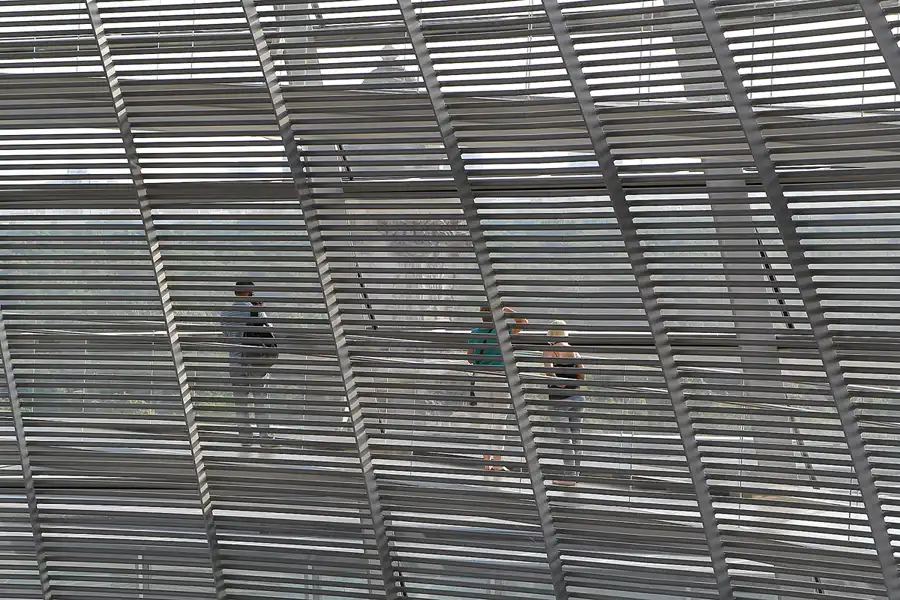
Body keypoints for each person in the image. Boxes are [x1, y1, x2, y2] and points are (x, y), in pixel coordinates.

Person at [467, 305, 528, 470]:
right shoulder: (502, 331)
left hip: (481, 378)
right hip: (500, 378)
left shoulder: (475, 332)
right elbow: (523, 322)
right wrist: (507, 310)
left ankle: (486, 461)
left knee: (486, 420)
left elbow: (470, 358)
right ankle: (497, 462)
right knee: (500, 421)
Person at [222, 281, 274, 443]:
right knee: (260, 398)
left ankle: (245, 438)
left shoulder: (225, 313)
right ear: (250, 292)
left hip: (235, 360)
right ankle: (265, 437)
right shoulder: (255, 311)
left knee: (240, 401)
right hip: (255, 360)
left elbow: (226, 335)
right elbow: (269, 331)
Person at [543, 320, 585, 486]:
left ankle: (569, 476)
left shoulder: (550, 351)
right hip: (577, 396)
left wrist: (560, 383)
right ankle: (576, 474)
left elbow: (548, 373)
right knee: (576, 436)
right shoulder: (574, 351)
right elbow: (582, 375)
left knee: (565, 439)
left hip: (560, 399)